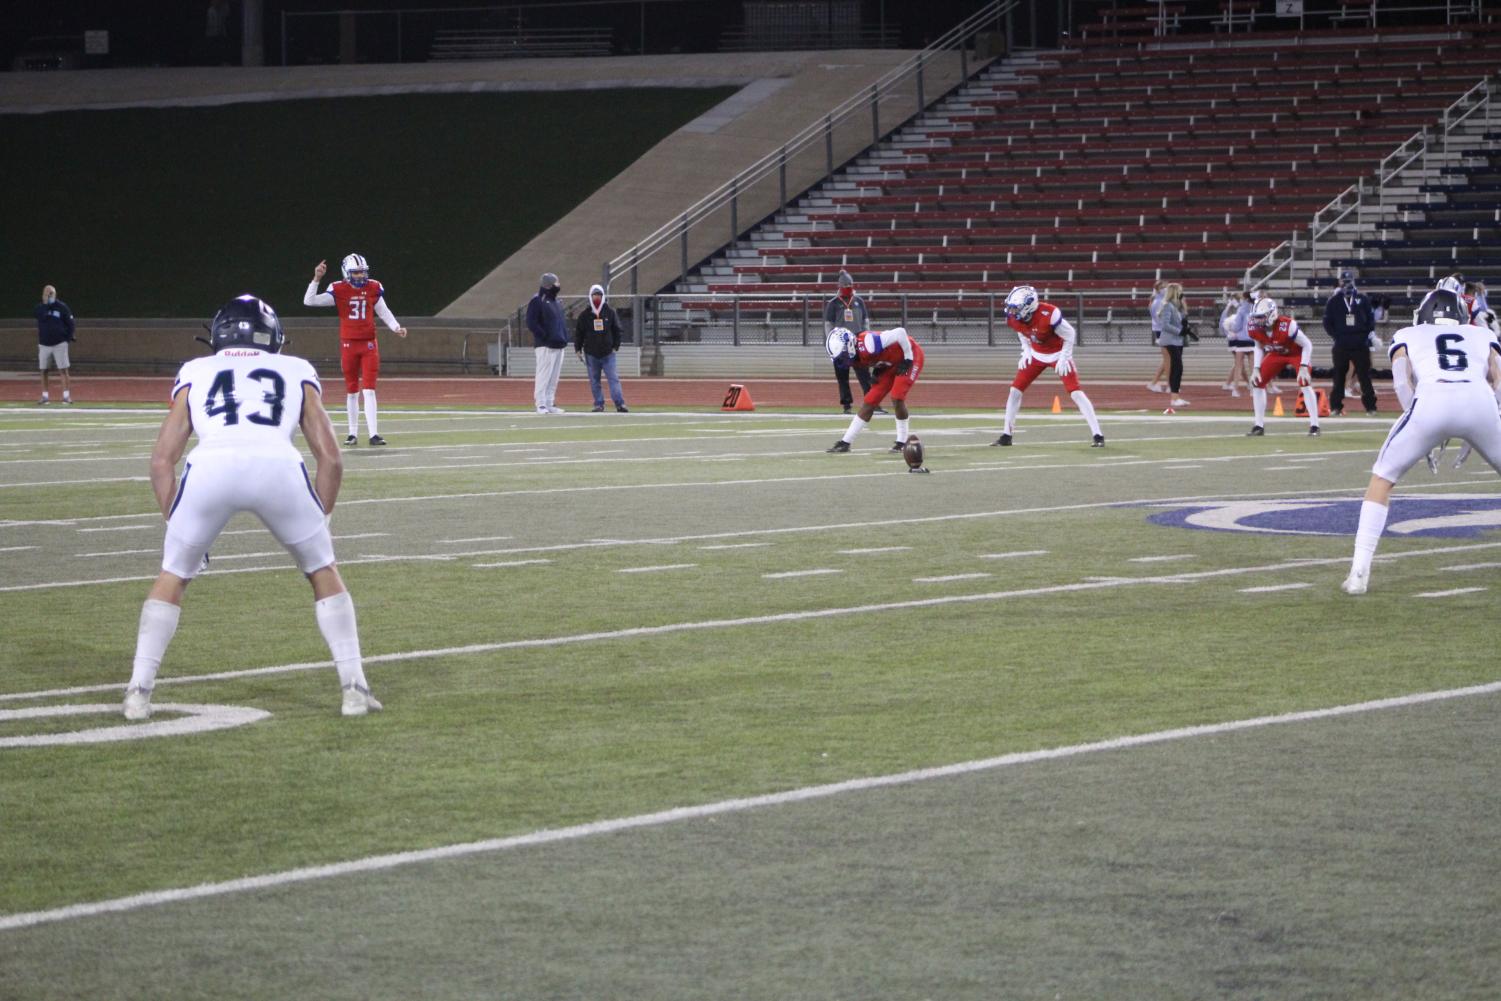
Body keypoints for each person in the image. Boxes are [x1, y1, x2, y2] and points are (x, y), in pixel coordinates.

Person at [123, 295, 381, 720]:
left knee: (173, 575)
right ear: (273, 336)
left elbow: (161, 460)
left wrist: (179, 524)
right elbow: (331, 457)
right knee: (323, 570)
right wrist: (322, 519)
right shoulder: (296, 369)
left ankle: (138, 691)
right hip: (277, 465)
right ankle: (354, 688)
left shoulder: (195, 370)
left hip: (210, 467)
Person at [1342, 285, 1501, 594]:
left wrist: (1415, 423)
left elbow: (1402, 380)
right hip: (1480, 399)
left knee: (1382, 478)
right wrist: (1489, 420)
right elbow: (1499, 378)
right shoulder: (1482, 334)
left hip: (1432, 398)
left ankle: (1359, 572)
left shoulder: (1409, 334)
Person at [304, 254, 408, 446]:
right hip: (349, 344)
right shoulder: (338, 289)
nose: (360, 276)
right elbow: (309, 301)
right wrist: (316, 279)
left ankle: (373, 434)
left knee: (369, 389)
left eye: (362, 272)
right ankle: (352, 433)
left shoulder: (373, 287)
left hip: (369, 344)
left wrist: (396, 327)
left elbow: (383, 311)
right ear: (347, 273)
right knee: (351, 390)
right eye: (356, 272)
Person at [992, 285, 1104, 447]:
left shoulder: (1049, 314)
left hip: (1058, 354)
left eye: (1016, 308)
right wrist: (1026, 350)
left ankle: (1098, 435)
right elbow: (1021, 331)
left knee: (1075, 392)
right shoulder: (1014, 318)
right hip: (1036, 355)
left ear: (1028, 305)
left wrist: (1065, 357)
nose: (1012, 312)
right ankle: (1006, 435)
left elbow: (1070, 334)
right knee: (1014, 391)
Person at [824, 326, 922, 453]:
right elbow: (878, 357)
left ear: (849, 345)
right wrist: (877, 369)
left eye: (843, 354)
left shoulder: (868, 343)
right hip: (889, 364)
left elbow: (900, 332)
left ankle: (901, 442)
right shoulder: (855, 354)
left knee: (897, 396)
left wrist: (908, 358)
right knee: (870, 401)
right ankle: (845, 442)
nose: (843, 359)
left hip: (910, 353)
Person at [1246, 297, 1320, 437]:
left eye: (1261, 317)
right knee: (1258, 382)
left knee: (1304, 382)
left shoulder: (1287, 325)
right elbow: (1259, 347)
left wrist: (1304, 366)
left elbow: (1307, 344)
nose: (1257, 321)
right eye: (1256, 317)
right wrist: (1256, 368)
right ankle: (1258, 426)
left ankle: (1315, 425)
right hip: (1276, 353)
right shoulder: (1254, 327)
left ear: (1272, 314)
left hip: (1296, 353)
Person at [1322, 269, 1378, 416]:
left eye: (1349, 281)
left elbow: (1370, 319)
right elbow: (1327, 322)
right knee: (1339, 376)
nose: (1347, 284)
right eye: (1344, 281)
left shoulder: (1362, 299)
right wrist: (1337, 336)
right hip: (1341, 344)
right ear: (1340, 282)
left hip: (1360, 344)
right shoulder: (1334, 301)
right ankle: (1336, 407)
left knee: (1364, 376)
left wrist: (1369, 335)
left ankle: (1371, 407)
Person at [824, 270, 874, 414]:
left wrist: (866, 337)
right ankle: (847, 405)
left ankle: (872, 402)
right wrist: (831, 343)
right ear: (840, 286)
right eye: (846, 285)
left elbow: (866, 321)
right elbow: (829, 324)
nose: (849, 287)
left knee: (865, 375)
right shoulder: (833, 303)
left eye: (851, 284)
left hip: (858, 343)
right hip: (841, 346)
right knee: (842, 376)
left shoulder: (859, 301)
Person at [574, 283, 628, 413]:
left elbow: (617, 330)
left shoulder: (610, 312)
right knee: (594, 381)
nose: (596, 298)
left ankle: (619, 403)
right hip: (591, 354)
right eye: (594, 295)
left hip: (608, 353)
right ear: (590, 297)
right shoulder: (585, 315)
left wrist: (616, 346)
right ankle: (599, 404)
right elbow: (579, 333)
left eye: (599, 295)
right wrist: (578, 349)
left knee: (613, 379)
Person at [527, 272, 567, 415]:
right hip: (545, 345)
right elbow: (531, 322)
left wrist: (563, 337)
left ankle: (550, 402)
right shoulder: (538, 300)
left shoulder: (557, 302)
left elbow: (560, 323)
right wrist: (544, 336)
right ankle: (541, 403)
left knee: (554, 377)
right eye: (556, 282)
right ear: (549, 284)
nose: (559, 285)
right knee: (544, 375)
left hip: (558, 344)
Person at [35, 284, 75, 405]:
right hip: (44, 344)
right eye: (46, 293)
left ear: (55, 294)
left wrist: (66, 339)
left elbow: (71, 323)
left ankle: (66, 396)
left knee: (63, 369)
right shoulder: (40, 307)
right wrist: (46, 304)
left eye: (50, 293)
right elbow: (40, 316)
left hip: (59, 344)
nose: (48, 295)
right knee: (44, 370)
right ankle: (45, 396)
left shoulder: (62, 307)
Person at [1156, 282, 1191, 413]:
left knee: (1178, 368)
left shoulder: (1175, 307)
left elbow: (1182, 319)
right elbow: (1165, 325)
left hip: (1177, 341)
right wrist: (1179, 331)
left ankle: (1175, 397)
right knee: (1177, 367)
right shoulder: (1167, 306)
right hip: (1170, 340)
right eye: (1180, 291)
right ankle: (1174, 397)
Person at [1220, 289, 1254, 398]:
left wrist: (1232, 328)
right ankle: (1253, 390)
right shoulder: (1254, 308)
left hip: (1240, 340)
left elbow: (1236, 326)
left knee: (1238, 366)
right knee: (1253, 367)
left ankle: (1235, 389)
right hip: (1252, 339)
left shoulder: (1241, 310)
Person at [1146, 280, 1169, 393]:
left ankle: (1154, 383)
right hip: (1163, 330)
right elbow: (1162, 319)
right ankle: (1169, 385)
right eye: (1164, 287)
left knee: (1168, 359)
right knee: (1169, 359)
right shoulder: (1159, 302)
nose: (1166, 289)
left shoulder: (1157, 301)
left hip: (1161, 330)